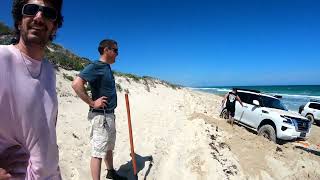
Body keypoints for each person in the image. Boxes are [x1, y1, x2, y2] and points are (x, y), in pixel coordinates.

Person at [0, 0, 63, 179]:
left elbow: (49, 124)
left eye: (49, 13)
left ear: (54, 28)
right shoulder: (2, 57)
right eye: (31, 10)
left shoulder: (50, 71)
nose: (39, 17)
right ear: (19, 21)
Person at [72, 39, 126, 180]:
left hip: (109, 115)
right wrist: (92, 102)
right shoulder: (96, 66)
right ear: (106, 50)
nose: (117, 54)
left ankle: (111, 172)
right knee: (97, 152)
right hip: (100, 116)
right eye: (115, 50)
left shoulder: (106, 67)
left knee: (108, 147)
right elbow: (77, 84)